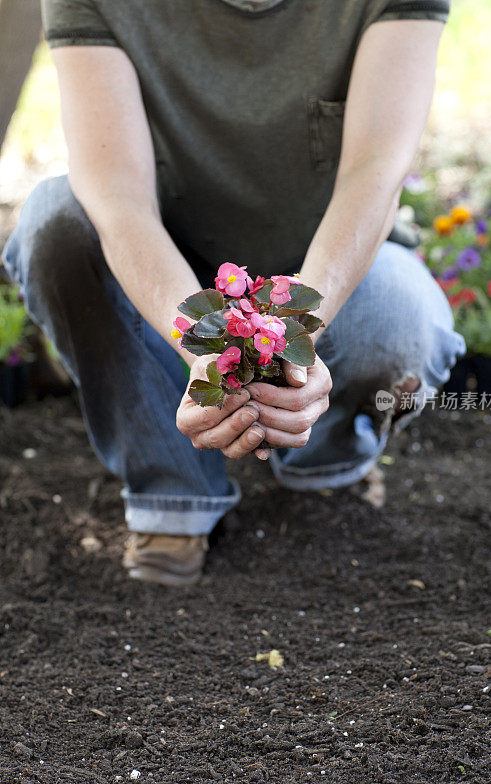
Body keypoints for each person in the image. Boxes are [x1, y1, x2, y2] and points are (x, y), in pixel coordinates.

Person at [2, 0, 465, 587]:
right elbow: (117, 194)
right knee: (53, 225)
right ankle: (173, 495)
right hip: (171, 266)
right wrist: (208, 354)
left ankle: (325, 471)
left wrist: (289, 340)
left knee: (402, 325)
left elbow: (376, 170)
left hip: (332, 265)